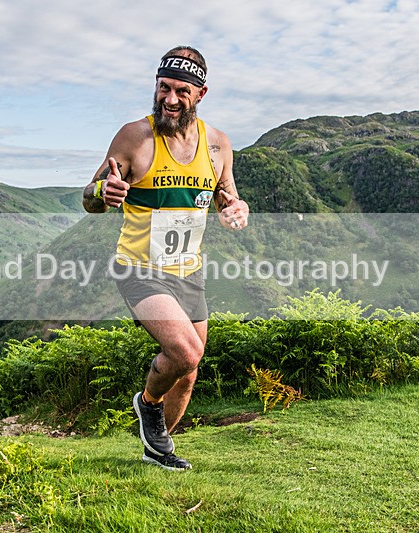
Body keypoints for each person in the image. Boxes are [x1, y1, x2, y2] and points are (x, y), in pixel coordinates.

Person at [82, 46, 249, 471]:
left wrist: (234, 208)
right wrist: (104, 192)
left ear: (201, 94)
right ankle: (148, 402)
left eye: (181, 91)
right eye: (163, 88)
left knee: (189, 372)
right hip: (139, 268)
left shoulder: (217, 144)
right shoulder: (134, 137)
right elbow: (90, 196)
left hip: (189, 271)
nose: (169, 99)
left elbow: (224, 194)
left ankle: (157, 450)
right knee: (186, 352)